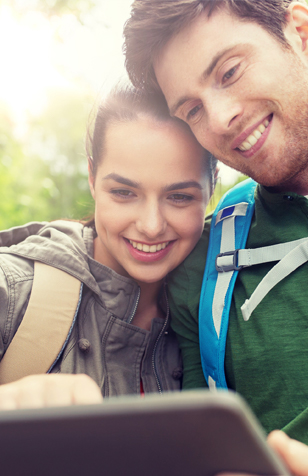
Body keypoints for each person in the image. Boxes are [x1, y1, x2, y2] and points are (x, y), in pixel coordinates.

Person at [123, 0, 308, 474]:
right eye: (191, 109)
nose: (220, 118)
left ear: (303, 32)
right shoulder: (202, 263)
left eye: (229, 72)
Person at [0, 84, 216, 409]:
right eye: (124, 192)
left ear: (212, 184)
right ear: (91, 176)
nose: (151, 225)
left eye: (180, 196)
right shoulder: (14, 289)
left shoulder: (220, 312)